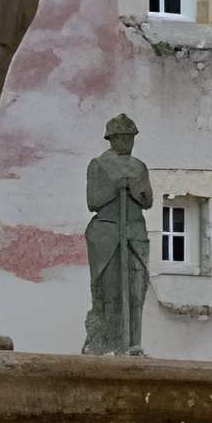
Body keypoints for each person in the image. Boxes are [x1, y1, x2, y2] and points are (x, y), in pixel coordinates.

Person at [83, 114, 152, 356]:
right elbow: (93, 202)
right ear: (112, 139)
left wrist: (134, 189)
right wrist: (115, 188)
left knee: (135, 292)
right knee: (109, 293)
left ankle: (132, 343)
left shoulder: (139, 167)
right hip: (108, 234)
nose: (127, 142)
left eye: (130, 137)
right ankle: (108, 344)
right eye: (123, 137)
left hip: (134, 233)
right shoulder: (99, 165)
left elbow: (148, 201)